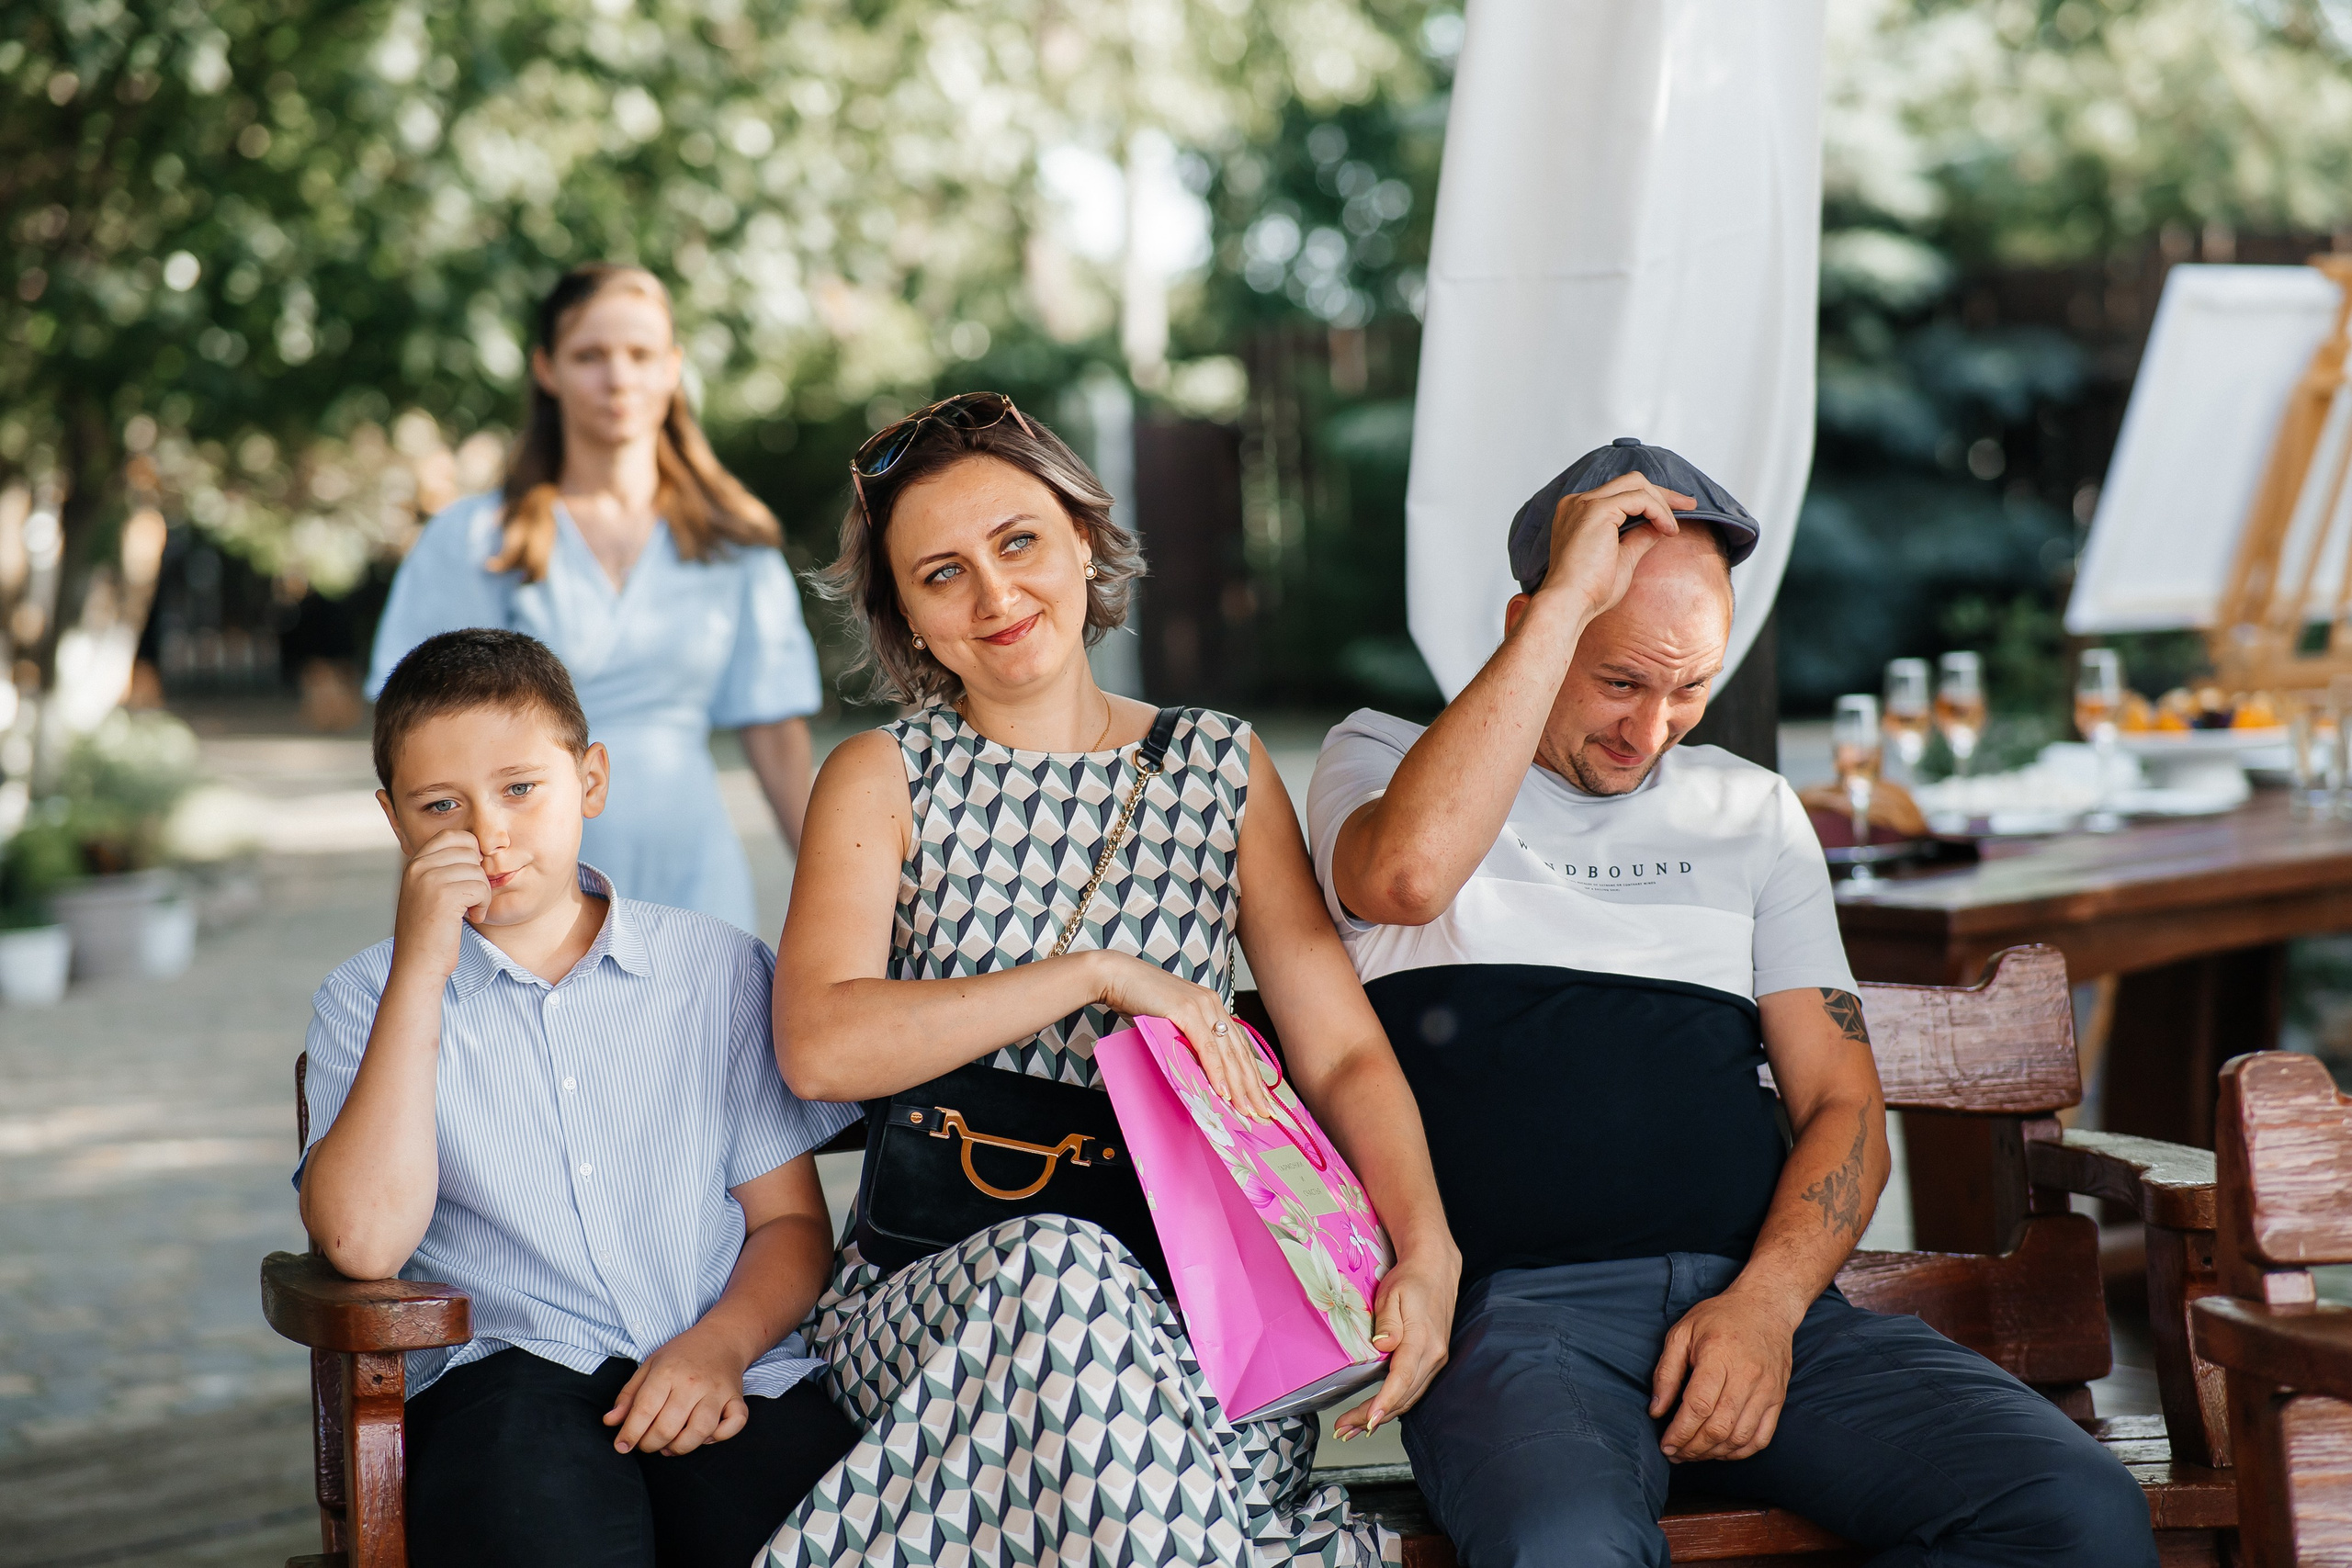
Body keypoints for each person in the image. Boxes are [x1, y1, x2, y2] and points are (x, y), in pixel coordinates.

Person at [1306, 439, 2157, 1568]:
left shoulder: (1746, 810)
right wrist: (1570, 596)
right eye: (1618, 680)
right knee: (1566, 1552)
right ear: (1529, 627)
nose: (1649, 731)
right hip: (1521, 1326)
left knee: (2074, 1510)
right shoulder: (1380, 759)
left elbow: (1843, 1108)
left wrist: (1764, 1308)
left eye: (1688, 690)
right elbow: (1402, 879)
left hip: (1767, 1308)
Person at [761, 393, 1460, 1566]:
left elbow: (1339, 1052)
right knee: (1060, 1265)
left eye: (1018, 542)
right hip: (939, 1295)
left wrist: (1426, 1244)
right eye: (941, 574)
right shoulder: (879, 777)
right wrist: (1098, 973)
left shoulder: (1217, 767)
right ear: (906, 620)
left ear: (1084, 540)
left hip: (1199, 1310)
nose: (993, 596)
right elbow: (822, 1046)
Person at [300, 628, 858, 1568]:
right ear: (397, 823)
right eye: (442, 806)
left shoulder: (713, 967)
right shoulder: (364, 996)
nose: (488, 834)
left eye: (521, 788)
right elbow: (362, 1243)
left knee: (821, 1536)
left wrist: (719, 1346)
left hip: (727, 1363)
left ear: (589, 780)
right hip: (505, 1389)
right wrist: (423, 973)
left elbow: (790, 1227)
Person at [368, 264, 821, 934]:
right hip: (520, 879)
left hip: (696, 872)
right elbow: (415, 743)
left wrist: (844, 897)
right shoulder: (474, 538)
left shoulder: (735, 543)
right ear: (547, 370)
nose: (618, 378)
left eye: (640, 354)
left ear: (673, 367)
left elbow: (778, 740)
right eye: (590, 355)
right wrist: (433, 908)